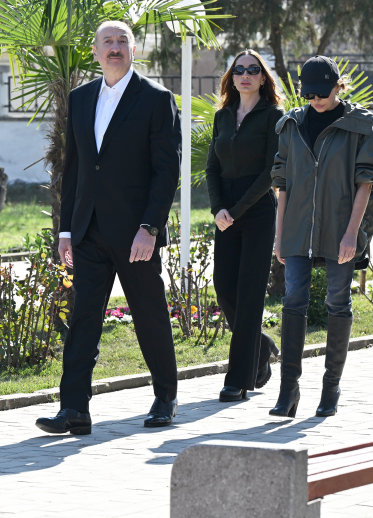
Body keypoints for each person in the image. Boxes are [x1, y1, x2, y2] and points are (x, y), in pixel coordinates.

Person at [36, 21, 181, 435]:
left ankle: (165, 397)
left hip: (136, 235)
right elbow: (76, 168)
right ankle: (74, 409)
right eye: (107, 43)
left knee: (149, 315)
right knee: (83, 318)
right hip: (88, 231)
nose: (115, 48)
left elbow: (166, 170)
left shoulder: (156, 99)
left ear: (134, 50)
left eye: (122, 42)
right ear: (96, 52)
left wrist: (150, 227)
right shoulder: (80, 99)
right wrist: (66, 230)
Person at [270, 56, 373, 418]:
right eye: (309, 94)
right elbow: (282, 183)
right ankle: (287, 391)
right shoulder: (291, 124)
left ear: (340, 86)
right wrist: (279, 236)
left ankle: (330, 389)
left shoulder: (359, 125)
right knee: (293, 301)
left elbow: (366, 182)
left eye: (323, 92)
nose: (316, 100)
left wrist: (352, 234)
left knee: (338, 303)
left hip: (341, 228)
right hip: (296, 230)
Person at [207, 49, 286, 402]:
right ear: (232, 76)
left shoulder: (274, 116)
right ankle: (262, 343)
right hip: (225, 214)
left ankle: (238, 379)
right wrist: (218, 209)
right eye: (239, 69)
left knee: (250, 294)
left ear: (263, 78)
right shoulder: (223, 116)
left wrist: (236, 210)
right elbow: (212, 168)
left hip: (256, 212)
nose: (245, 75)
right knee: (224, 289)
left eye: (253, 70)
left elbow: (271, 171)